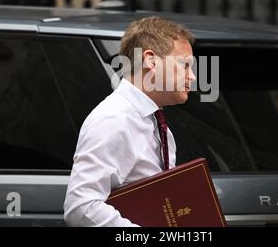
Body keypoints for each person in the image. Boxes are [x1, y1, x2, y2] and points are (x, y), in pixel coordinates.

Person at [63, 16, 196, 226]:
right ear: (151, 61)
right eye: (185, 65)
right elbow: (80, 208)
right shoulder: (113, 119)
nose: (193, 77)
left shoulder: (157, 126)